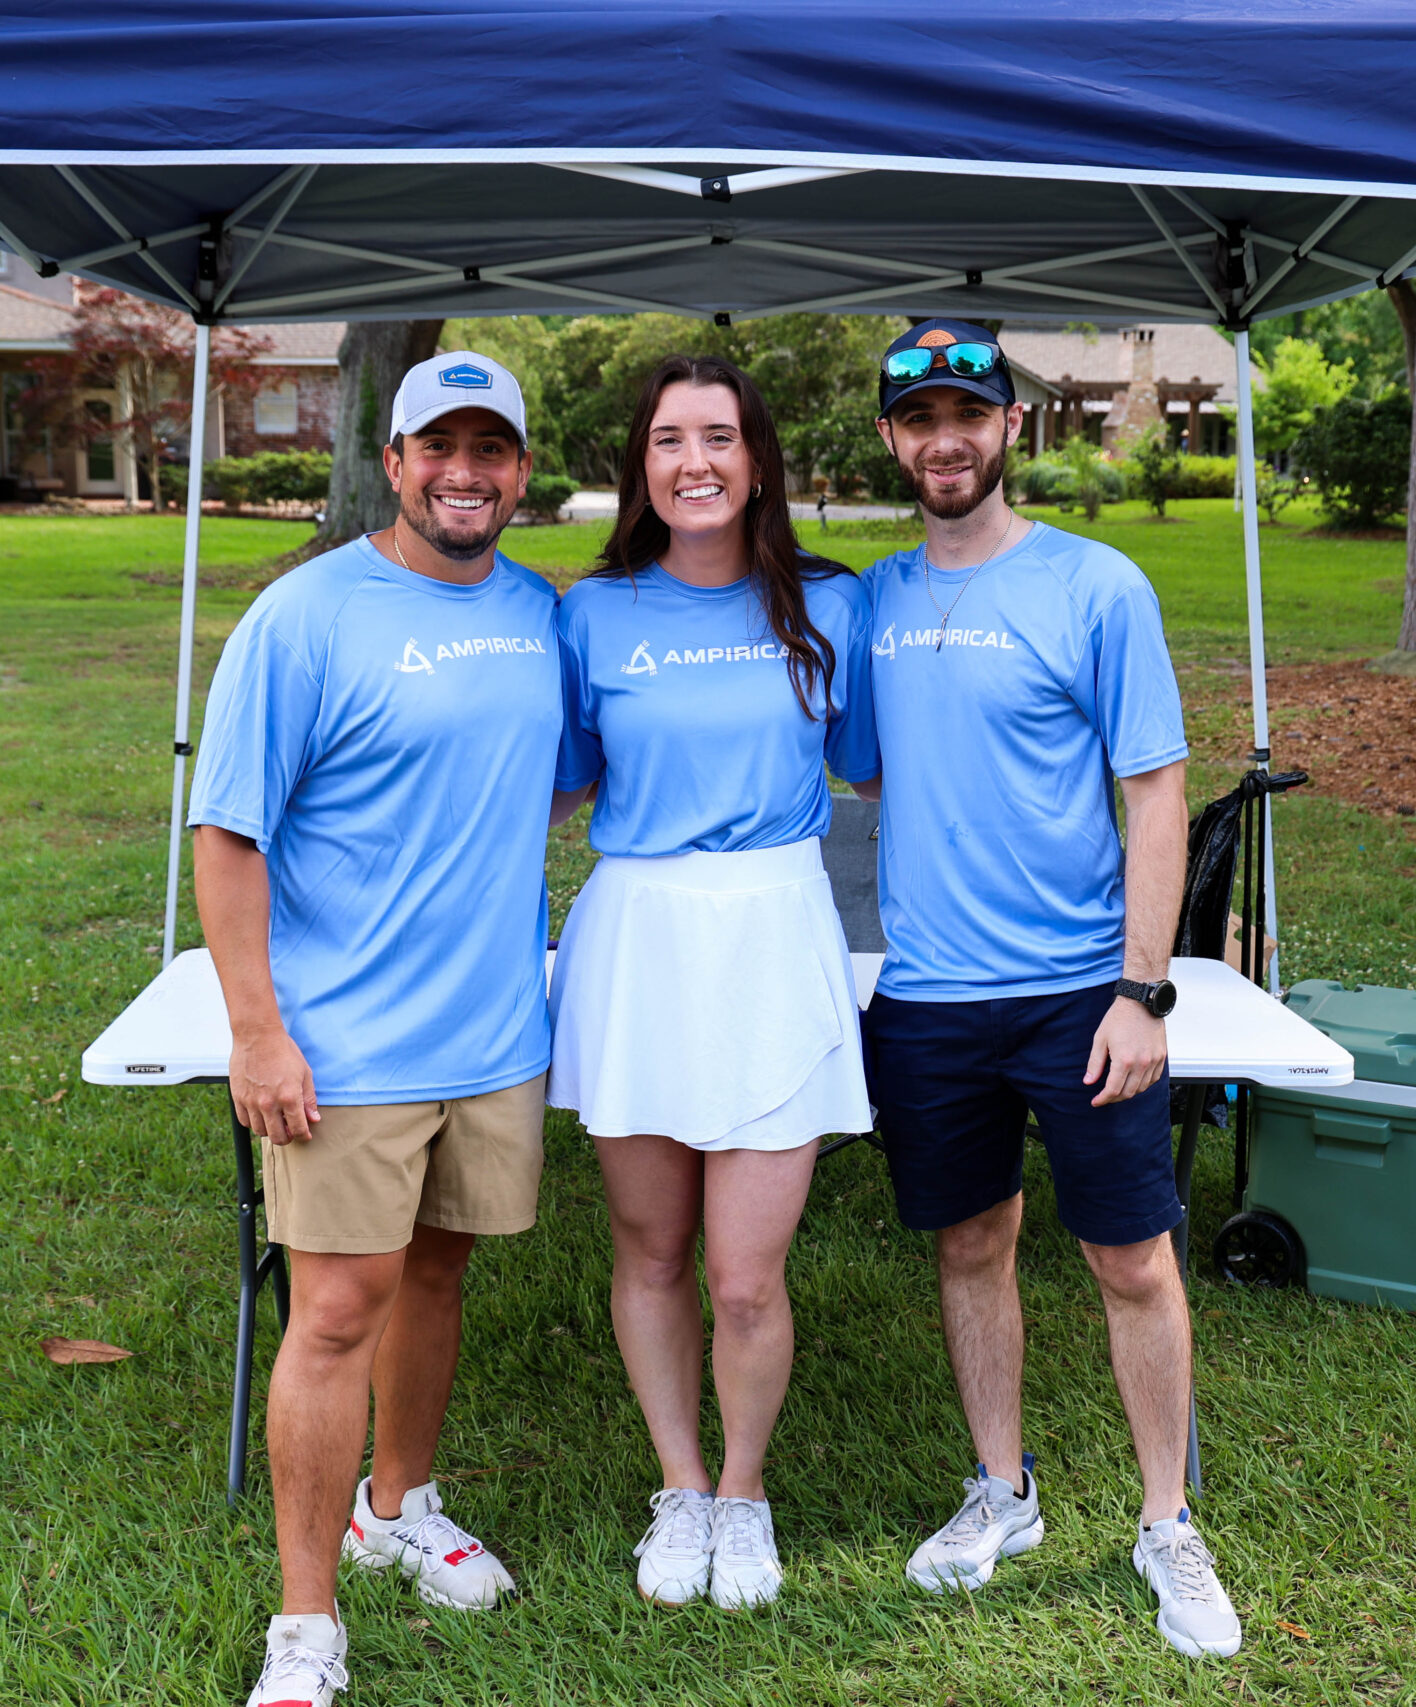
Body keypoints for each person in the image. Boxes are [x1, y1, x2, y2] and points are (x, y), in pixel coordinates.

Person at [854, 319, 1243, 1658]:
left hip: (1083, 993)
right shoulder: (873, 601)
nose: (944, 439)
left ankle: (1166, 1520)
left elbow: (1157, 793)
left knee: (1130, 1255)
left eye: (967, 413)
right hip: (929, 996)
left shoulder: (1096, 585)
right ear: (893, 438)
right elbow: (864, 763)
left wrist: (1144, 990)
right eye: (919, 419)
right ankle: (1000, 1490)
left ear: (1010, 425)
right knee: (970, 1244)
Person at [189, 351, 561, 1707]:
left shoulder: (540, 611)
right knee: (338, 1311)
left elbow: (553, 777)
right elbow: (228, 835)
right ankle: (306, 1621)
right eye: (437, 447)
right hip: (346, 1045)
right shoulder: (303, 617)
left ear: (520, 470)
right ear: (393, 462)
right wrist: (257, 1032)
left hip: (495, 1035)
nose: (465, 472)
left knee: (439, 1277)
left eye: (490, 448)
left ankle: (396, 1505)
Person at [548, 354, 879, 1610]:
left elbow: (887, 769)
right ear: (640, 464)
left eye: (719, 437)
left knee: (745, 1275)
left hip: (774, 934)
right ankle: (679, 1485)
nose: (695, 462)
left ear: (757, 461)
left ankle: (744, 1493)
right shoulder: (592, 615)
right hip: (638, 940)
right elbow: (550, 784)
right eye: (669, 439)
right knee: (650, 1247)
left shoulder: (831, 606)